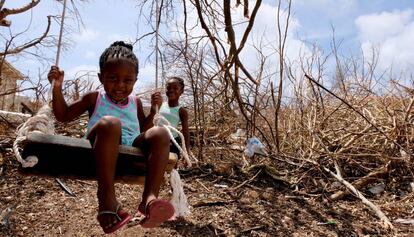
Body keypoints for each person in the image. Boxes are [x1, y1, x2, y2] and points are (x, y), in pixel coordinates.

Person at [47, 41, 174, 234]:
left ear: (135, 80)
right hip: (99, 144)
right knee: (111, 123)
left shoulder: (136, 102)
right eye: (113, 78)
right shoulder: (94, 98)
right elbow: (63, 115)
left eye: (127, 80)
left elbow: (142, 129)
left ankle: (149, 200)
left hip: (130, 146)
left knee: (161, 132)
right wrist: (57, 87)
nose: (120, 85)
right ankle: (106, 199)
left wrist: (153, 111)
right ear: (101, 77)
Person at [159, 77, 190, 166]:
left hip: (172, 143)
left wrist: (186, 152)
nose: (171, 90)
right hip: (156, 140)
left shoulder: (181, 111)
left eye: (175, 88)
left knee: (171, 170)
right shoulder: (159, 105)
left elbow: (186, 132)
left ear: (181, 91)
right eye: (169, 88)